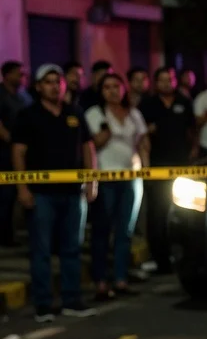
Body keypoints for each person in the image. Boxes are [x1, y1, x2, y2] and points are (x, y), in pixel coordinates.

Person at [13, 64, 98, 321]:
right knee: (41, 251)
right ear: (38, 87)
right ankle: (43, 303)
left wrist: (92, 181)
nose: (54, 85)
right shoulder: (28, 115)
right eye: (48, 81)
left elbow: (88, 148)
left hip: (73, 193)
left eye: (57, 81)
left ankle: (72, 299)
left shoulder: (75, 113)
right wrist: (22, 188)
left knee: (72, 248)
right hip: (41, 194)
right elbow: (18, 152)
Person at [85, 73, 148, 300]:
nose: (112, 91)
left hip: (131, 178)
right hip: (106, 177)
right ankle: (101, 281)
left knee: (125, 230)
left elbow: (142, 143)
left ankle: (120, 278)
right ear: (101, 92)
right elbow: (94, 144)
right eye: (107, 87)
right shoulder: (95, 114)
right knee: (102, 230)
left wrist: (146, 167)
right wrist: (107, 131)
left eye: (116, 86)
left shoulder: (134, 114)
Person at [140, 66, 195, 273]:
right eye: (162, 80)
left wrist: (193, 153)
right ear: (156, 83)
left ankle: (187, 257)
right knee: (158, 214)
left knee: (186, 213)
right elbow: (141, 136)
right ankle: (160, 259)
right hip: (157, 168)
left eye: (170, 79)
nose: (167, 83)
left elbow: (193, 130)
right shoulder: (148, 104)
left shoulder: (184, 102)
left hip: (183, 167)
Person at [0, 61, 29, 246]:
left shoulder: (22, 96)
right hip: (3, 153)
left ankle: (10, 234)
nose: (22, 77)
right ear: (8, 74)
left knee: (12, 198)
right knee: (4, 196)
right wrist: (12, 140)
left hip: (21, 152)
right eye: (19, 74)